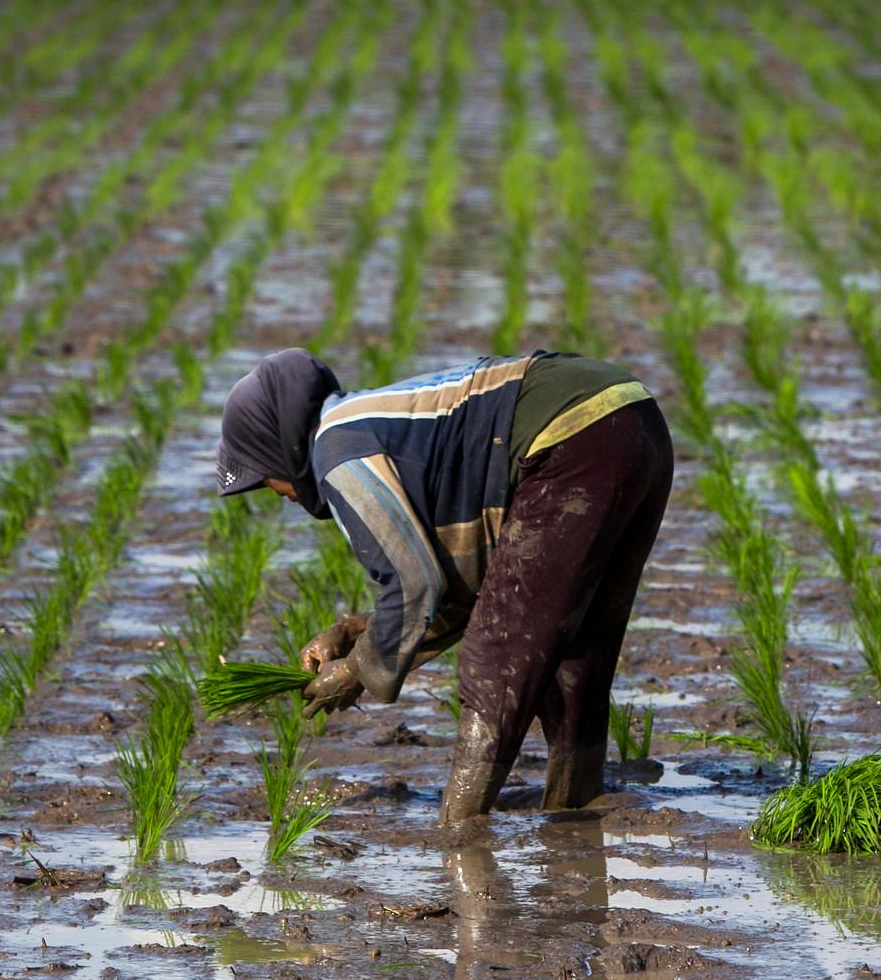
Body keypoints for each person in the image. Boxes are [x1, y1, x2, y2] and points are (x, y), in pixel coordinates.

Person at [214, 348, 672, 823]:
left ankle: (462, 829)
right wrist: (353, 630)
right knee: (573, 652)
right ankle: (574, 807)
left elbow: (415, 586)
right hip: (630, 418)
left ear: (279, 446)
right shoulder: (376, 427)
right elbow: (466, 591)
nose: (276, 493)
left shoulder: (336, 449)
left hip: (569, 435)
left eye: (264, 479)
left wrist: (355, 670)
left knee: (492, 659)